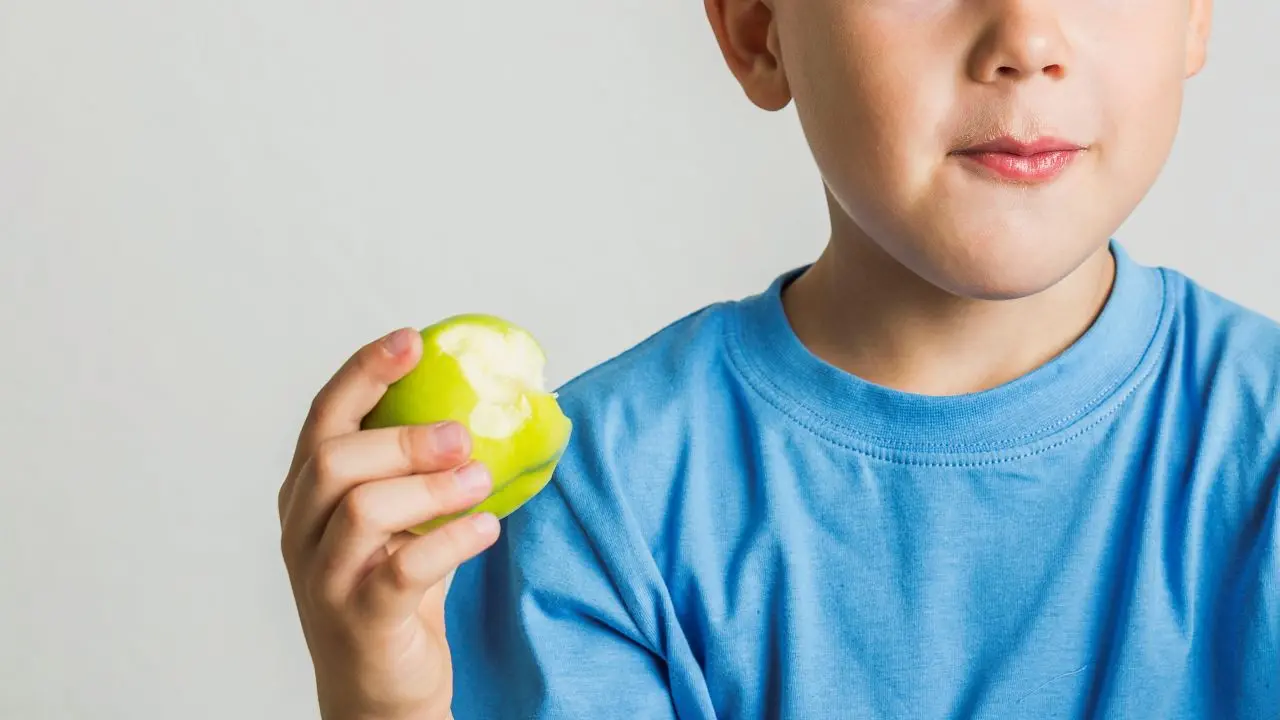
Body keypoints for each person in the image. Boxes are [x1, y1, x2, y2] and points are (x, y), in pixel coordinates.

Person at [278, 0, 1278, 717]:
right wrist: (385, 702)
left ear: (1196, 16)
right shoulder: (600, 505)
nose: (1024, 37)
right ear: (757, 30)